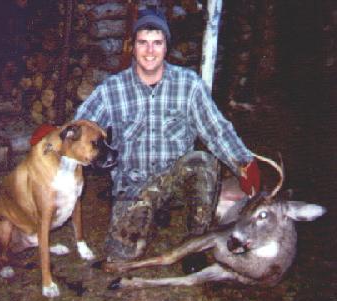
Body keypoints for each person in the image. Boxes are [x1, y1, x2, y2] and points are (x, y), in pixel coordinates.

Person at [74, 9, 260, 262]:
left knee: (203, 162)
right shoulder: (111, 89)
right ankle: (145, 219)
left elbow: (216, 129)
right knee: (120, 257)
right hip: (134, 184)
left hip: (176, 179)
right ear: (132, 45)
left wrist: (244, 163)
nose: (150, 51)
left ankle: (195, 244)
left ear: (166, 47)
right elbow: (79, 127)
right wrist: (52, 139)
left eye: (157, 43)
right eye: (143, 43)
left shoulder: (189, 85)